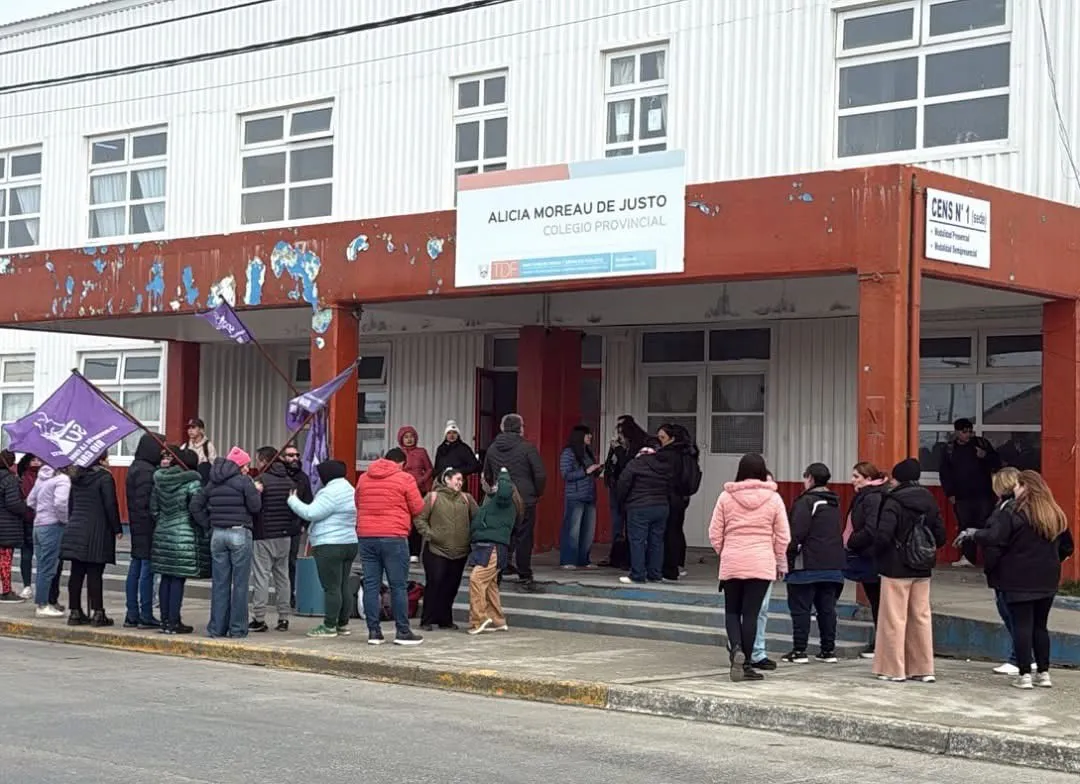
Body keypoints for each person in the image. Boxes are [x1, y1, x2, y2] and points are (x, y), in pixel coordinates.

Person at [958, 471, 1074, 689]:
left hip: (1018, 578)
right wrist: (1050, 560)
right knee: (1040, 627)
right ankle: (1044, 673)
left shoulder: (1013, 512)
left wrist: (973, 534)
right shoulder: (1055, 513)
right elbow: (1068, 546)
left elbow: (995, 537)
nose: (1015, 489)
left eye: (1018, 485)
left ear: (1025, 487)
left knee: (1022, 626)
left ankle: (1024, 675)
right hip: (1047, 579)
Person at [709, 453, 790, 682]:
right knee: (751, 614)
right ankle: (746, 664)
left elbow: (714, 532)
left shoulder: (726, 497)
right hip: (761, 561)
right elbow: (783, 535)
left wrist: (724, 552)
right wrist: (779, 560)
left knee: (732, 612)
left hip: (733, 559)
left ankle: (736, 650)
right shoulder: (774, 499)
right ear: (764, 472)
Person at [868, 458, 947, 683]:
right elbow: (940, 536)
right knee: (921, 617)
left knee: (894, 618)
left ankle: (894, 669)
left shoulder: (893, 501)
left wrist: (877, 555)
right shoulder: (930, 500)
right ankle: (923, 669)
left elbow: (883, 535)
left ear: (898, 478)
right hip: (922, 568)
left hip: (895, 567)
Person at [355, 447, 426, 646]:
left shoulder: (364, 478)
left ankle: (374, 633)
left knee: (371, 585)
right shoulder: (404, 478)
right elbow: (418, 507)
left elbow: (358, 502)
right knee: (398, 586)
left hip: (367, 536)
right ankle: (402, 632)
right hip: (394, 536)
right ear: (401, 463)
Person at [191, 448, 262, 639]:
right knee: (240, 584)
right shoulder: (244, 482)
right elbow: (255, 507)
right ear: (239, 466)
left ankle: (216, 628)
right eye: (246, 465)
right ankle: (237, 629)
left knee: (220, 583)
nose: (248, 468)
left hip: (217, 534)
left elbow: (195, 505)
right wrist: (257, 492)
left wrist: (208, 524)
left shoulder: (213, 482)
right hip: (239, 532)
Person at [287, 460, 358, 638]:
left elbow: (311, 513)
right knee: (343, 585)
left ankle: (329, 626)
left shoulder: (330, 493)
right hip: (349, 542)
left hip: (329, 545)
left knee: (331, 587)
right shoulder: (351, 490)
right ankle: (343, 624)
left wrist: (292, 500)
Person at [783, 463, 845, 664]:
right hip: (833, 565)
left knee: (801, 608)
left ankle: (799, 650)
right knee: (827, 609)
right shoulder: (834, 502)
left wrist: (787, 556)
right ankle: (828, 650)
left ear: (809, 478)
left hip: (807, 566)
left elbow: (796, 534)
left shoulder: (806, 502)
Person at [969, 467, 1027, 676]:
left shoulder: (1007, 509)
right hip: (1006, 568)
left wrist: (976, 535)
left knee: (1012, 615)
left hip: (1006, 569)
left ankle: (1018, 658)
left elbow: (996, 537)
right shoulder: (1010, 507)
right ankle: (1024, 657)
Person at [481, 413, 546, 591]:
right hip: (525, 498)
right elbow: (540, 474)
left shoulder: (493, 448)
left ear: (502, 428)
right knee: (524, 536)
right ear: (520, 428)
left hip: (502, 497)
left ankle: (500, 571)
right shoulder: (527, 448)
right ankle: (524, 574)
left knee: (503, 536)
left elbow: (486, 474)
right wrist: (536, 492)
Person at [150, 447, 207, 634]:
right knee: (177, 579)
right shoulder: (193, 483)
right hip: (184, 534)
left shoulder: (160, 481)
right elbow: (197, 509)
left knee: (165, 576)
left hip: (162, 532)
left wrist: (164, 522)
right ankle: (175, 621)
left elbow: (154, 509)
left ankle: (165, 621)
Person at [62, 454, 123, 626]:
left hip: (76, 527)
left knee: (76, 572)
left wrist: (72, 522)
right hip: (97, 529)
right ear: (101, 460)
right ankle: (98, 613)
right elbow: (110, 504)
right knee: (95, 572)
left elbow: (71, 504)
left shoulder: (76, 477)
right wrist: (117, 528)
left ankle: (74, 612)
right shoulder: (104, 477)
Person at [249, 446, 305, 633]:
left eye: (258, 460)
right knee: (283, 577)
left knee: (261, 577)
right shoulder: (290, 482)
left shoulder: (261, 481)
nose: (257, 464)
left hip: (264, 535)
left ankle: (259, 617)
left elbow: (254, 507)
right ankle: (283, 617)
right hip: (285, 535)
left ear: (265, 461)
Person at [415, 467, 477, 630]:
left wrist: (471, 538)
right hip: (436, 550)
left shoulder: (467, 499)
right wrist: (430, 535)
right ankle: (427, 620)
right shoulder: (432, 497)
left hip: (460, 551)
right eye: (457, 479)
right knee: (435, 584)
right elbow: (420, 519)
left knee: (451, 586)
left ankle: (445, 619)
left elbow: (477, 519)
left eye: (461, 480)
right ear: (447, 480)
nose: (460, 482)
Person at [938, 418, 1000, 567]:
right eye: (964, 432)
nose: (968, 435)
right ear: (957, 432)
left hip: (983, 494)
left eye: (970, 431)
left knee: (985, 525)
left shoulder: (981, 444)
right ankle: (967, 557)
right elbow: (944, 473)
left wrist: (985, 456)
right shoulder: (949, 449)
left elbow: (997, 463)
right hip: (961, 496)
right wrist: (950, 493)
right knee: (964, 525)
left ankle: (988, 558)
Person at [467, 468, 522, 634]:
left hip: (492, 548)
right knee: (490, 585)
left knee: (476, 579)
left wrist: (504, 474)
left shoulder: (505, 500)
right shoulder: (495, 502)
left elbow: (505, 491)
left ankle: (479, 620)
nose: (493, 485)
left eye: (496, 483)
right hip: (488, 547)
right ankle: (497, 620)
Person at [844, 461, 889, 660]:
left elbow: (871, 528)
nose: (852, 480)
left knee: (878, 601)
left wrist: (852, 541)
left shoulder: (872, 498)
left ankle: (881, 643)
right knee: (876, 600)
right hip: (868, 555)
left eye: (856, 476)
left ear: (868, 479)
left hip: (872, 556)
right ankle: (880, 642)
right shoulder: (867, 496)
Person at [616, 444, 674, 585]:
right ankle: (655, 574)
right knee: (657, 542)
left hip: (639, 507)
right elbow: (672, 486)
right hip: (661, 507)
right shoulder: (664, 466)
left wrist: (622, 502)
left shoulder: (635, 464)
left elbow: (622, 484)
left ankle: (637, 575)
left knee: (637, 541)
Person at [124, 433, 164, 629]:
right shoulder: (147, 472)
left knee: (136, 567)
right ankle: (145, 614)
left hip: (136, 524)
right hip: (147, 526)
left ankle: (132, 613)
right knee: (147, 569)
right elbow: (147, 503)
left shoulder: (135, 467)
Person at [601, 416, 648, 570]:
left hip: (630, 488)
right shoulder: (617, 445)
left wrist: (619, 449)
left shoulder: (636, 445)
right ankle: (615, 556)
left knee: (629, 524)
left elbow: (627, 463)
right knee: (616, 523)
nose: (619, 434)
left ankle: (628, 558)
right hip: (615, 486)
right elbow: (611, 462)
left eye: (621, 431)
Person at [659, 423, 702, 581]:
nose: (660, 441)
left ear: (672, 438)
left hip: (668, 496)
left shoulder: (668, 455)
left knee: (667, 531)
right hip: (683, 497)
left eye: (662, 437)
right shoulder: (689, 453)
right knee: (677, 529)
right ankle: (678, 564)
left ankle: (669, 568)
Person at [26, 464, 69, 616]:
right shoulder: (62, 480)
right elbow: (60, 503)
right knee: (49, 567)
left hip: (38, 526)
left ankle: (41, 602)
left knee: (42, 566)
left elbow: (30, 501)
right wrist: (64, 520)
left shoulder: (41, 478)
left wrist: (42, 510)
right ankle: (43, 605)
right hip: (52, 526)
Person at [558, 424, 601, 569]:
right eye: (587, 434)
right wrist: (586, 471)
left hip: (589, 494)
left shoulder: (588, 452)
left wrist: (596, 470)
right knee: (573, 529)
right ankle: (568, 560)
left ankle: (584, 559)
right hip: (575, 495)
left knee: (588, 531)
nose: (590, 437)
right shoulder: (568, 453)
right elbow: (566, 474)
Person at [279, 444, 313, 609]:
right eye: (290, 455)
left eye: (296, 455)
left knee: (291, 562)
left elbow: (308, 500)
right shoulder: (278, 475)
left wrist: (303, 524)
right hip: (276, 525)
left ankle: (291, 594)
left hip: (294, 526)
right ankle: (282, 595)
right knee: (278, 563)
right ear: (283, 458)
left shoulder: (303, 478)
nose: (294, 459)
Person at [397, 425, 434, 563]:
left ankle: (415, 552)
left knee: (416, 520)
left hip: (419, 489)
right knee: (402, 520)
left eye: (411, 436)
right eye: (406, 437)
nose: (409, 439)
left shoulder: (421, 452)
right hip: (401, 490)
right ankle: (403, 550)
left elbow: (430, 469)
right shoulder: (398, 452)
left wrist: (421, 480)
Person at [0, 450, 30, 602]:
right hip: (6, 526)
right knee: (5, 560)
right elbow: (13, 504)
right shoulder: (9, 480)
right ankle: (6, 591)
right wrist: (25, 506)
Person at [16, 453, 40, 599]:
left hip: (38, 520)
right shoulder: (24, 478)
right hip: (28, 520)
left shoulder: (42, 477)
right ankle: (27, 585)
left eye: (38, 460)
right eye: (33, 460)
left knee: (35, 555)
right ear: (27, 463)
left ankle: (33, 586)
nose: (37, 462)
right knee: (27, 555)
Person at [182, 418, 217, 483]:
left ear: (201, 430)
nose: (190, 430)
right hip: (187, 480)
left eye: (193, 427)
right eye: (189, 428)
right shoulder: (185, 446)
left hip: (202, 482)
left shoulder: (208, 446)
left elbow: (214, 466)